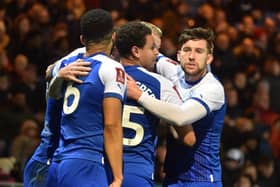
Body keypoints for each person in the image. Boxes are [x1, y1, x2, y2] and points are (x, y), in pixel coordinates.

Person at [126, 27, 226, 187]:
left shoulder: (212, 88)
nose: (192, 57)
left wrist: (139, 95)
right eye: (187, 50)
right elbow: (140, 51)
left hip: (202, 178)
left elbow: (181, 116)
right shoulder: (172, 70)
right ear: (179, 55)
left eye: (199, 51)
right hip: (172, 177)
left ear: (209, 58)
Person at [46, 9, 125, 187]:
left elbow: (49, 81)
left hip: (58, 162)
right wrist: (118, 176)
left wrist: (56, 74)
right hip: (86, 164)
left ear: (83, 39)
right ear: (113, 37)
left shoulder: (68, 64)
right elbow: (112, 125)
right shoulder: (112, 68)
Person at [115, 21, 183, 187]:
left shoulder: (101, 73)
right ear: (136, 50)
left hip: (102, 168)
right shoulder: (161, 83)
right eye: (153, 48)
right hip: (138, 171)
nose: (157, 54)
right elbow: (187, 133)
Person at [23, 57, 91, 186]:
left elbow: (49, 71)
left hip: (69, 160)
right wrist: (57, 74)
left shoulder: (100, 65)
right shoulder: (75, 60)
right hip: (49, 157)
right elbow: (49, 72)